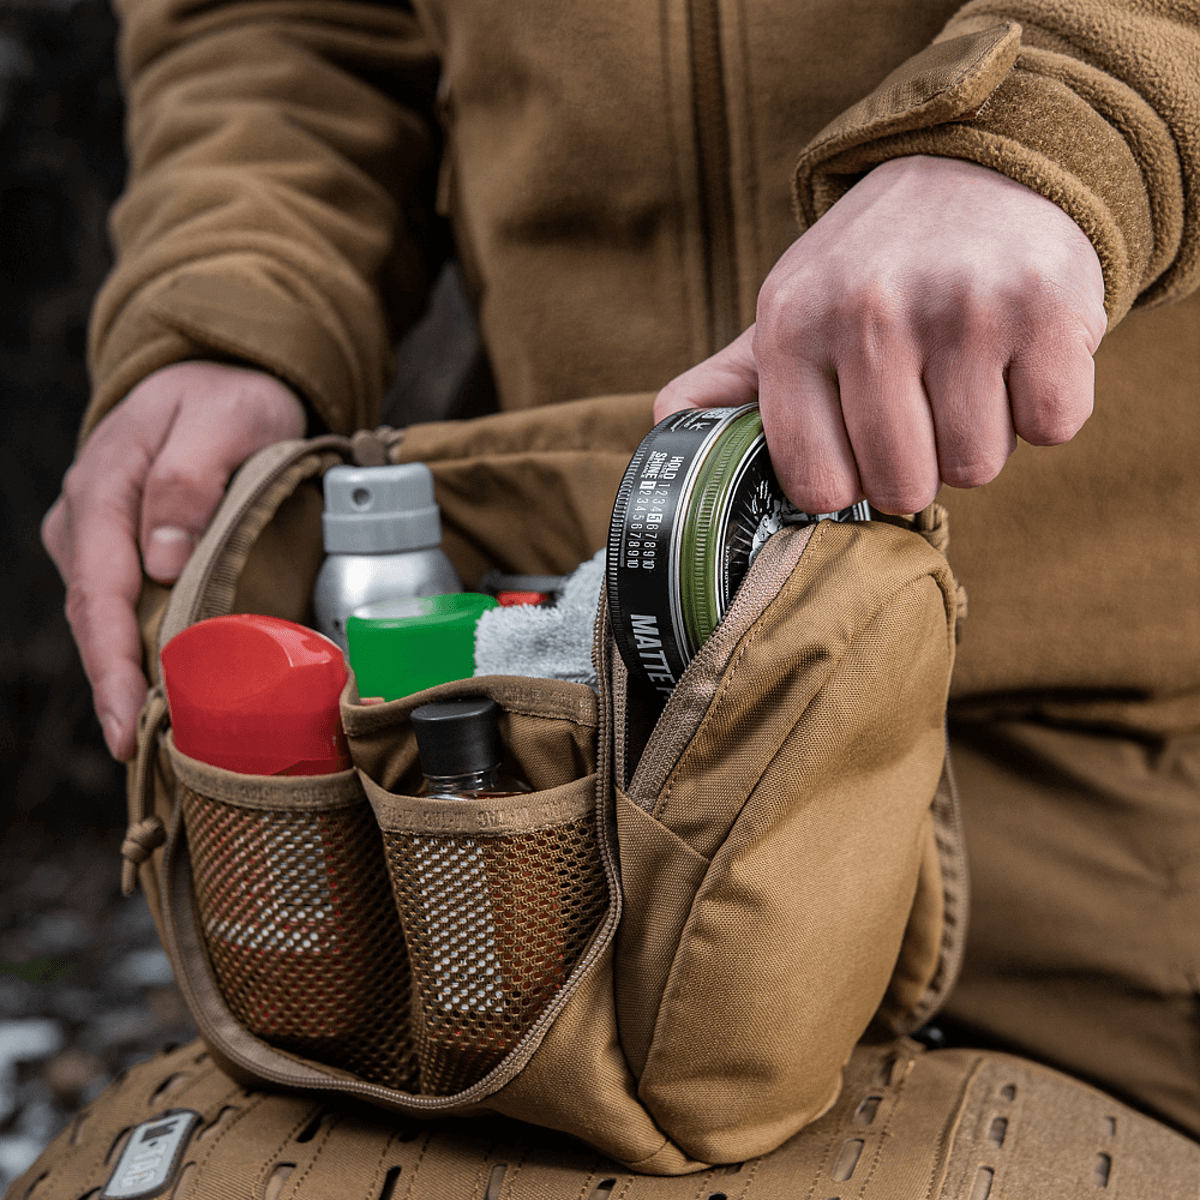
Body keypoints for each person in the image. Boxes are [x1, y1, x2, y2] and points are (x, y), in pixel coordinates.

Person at [42, 0, 1200, 1142]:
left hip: (1119, 768)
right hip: (578, 772)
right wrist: (237, 307)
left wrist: (1069, 117)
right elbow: (280, 25)